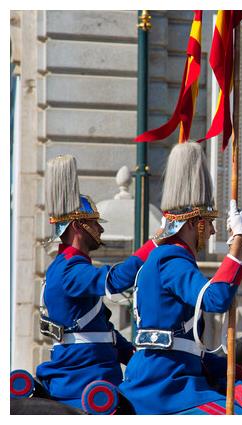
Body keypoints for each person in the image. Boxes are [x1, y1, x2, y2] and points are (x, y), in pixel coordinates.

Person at [120, 141, 242, 415]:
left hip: (173, 379)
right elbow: (216, 298)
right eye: (208, 222)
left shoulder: (167, 258)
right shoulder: (171, 260)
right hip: (166, 387)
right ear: (192, 224)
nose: (212, 231)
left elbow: (190, 350)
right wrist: (238, 241)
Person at [35, 155, 157, 409]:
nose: (100, 230)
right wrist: (156, 243)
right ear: (79, 226)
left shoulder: (68, 266)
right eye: (95, 223)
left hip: (95, 374)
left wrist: (134, 355)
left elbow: (101, 329)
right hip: (86, 380)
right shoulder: (69, 269)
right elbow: (116, 280)